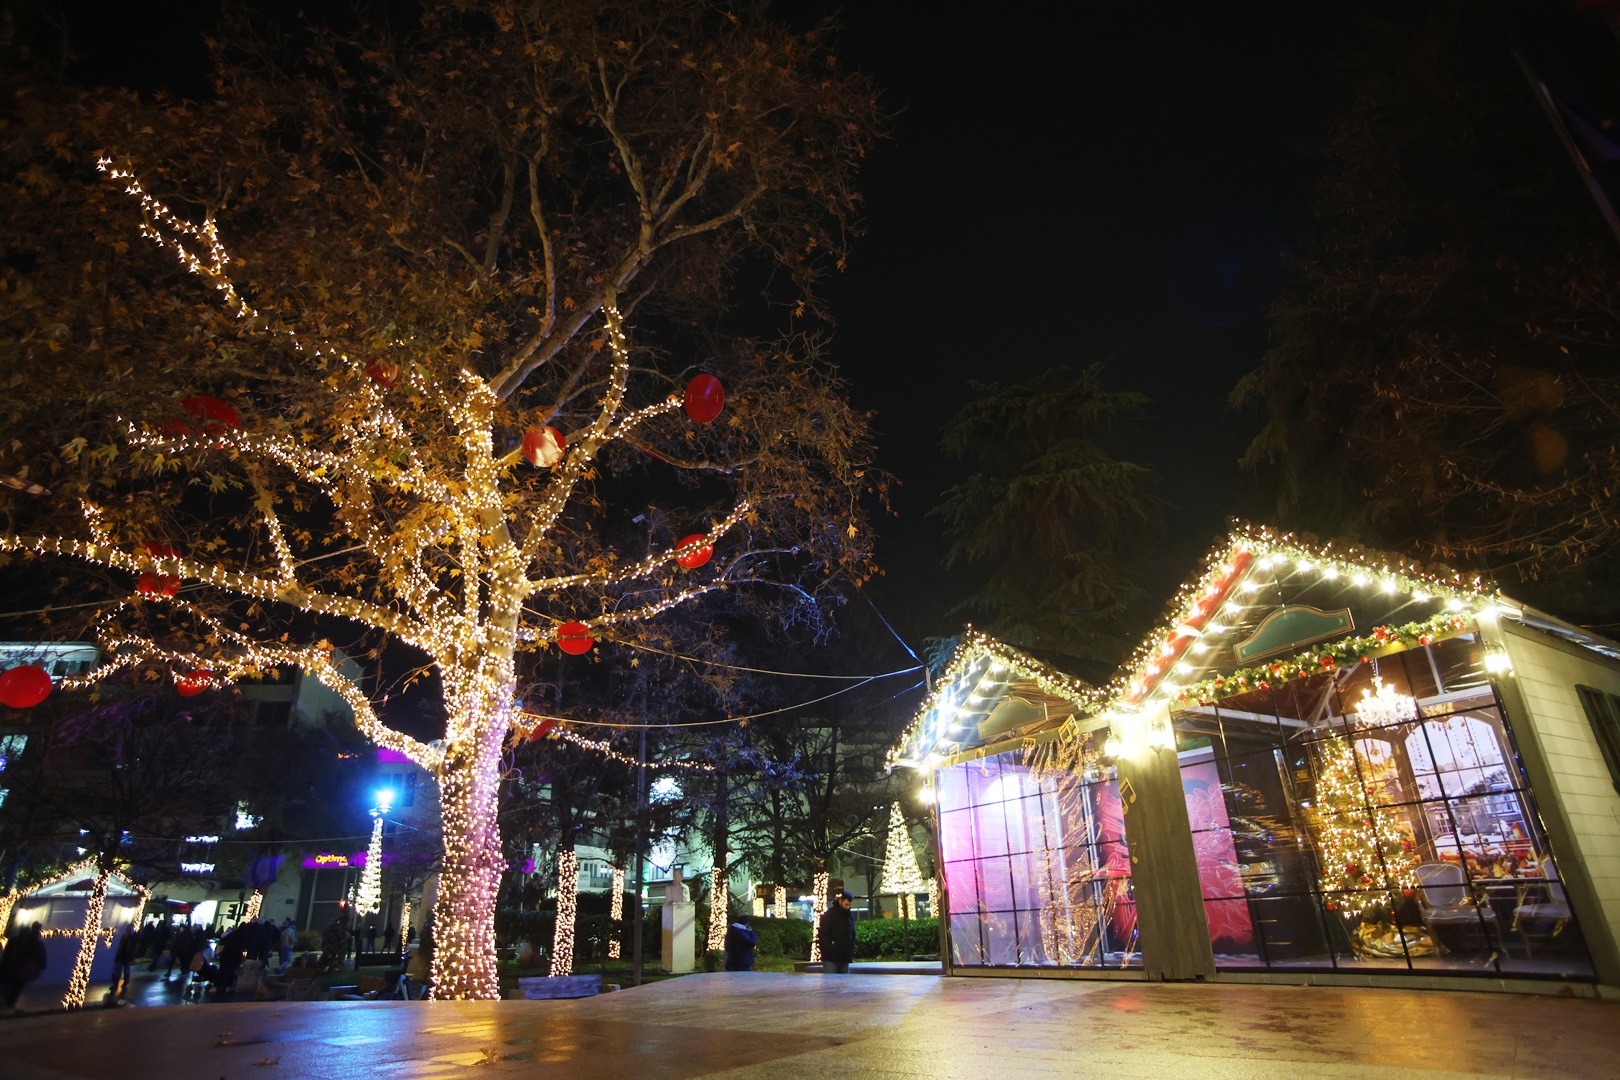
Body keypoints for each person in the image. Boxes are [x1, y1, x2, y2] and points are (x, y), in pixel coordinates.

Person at [0, 923, 47, 1013]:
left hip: (16, 968)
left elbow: (8, 955)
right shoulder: (33, 942)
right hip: (20, 969)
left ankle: (7, 1004)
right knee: (15, 986)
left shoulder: (18, 941)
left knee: (13, 986)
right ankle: (7, 1004)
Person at [817, 891, 856, 974]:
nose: (848, 907)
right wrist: (828, 949)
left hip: (844, 957)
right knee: (831, 980)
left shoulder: (849, 916)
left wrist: (850, 948)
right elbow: (823, 935)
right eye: (846, 904)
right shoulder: (829, 915)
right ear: (840, 901)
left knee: (842, 980)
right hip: (831, 958)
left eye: (849, 905)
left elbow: (852, 933)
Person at [109, 924, 139, 1001]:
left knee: (125, 970)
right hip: (122, 956)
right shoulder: (125, 936)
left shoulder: (132, 937)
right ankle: (117, 983)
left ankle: (123, 983)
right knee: (119, 970)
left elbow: (133, 945)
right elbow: (121, 946)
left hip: (127, 956)